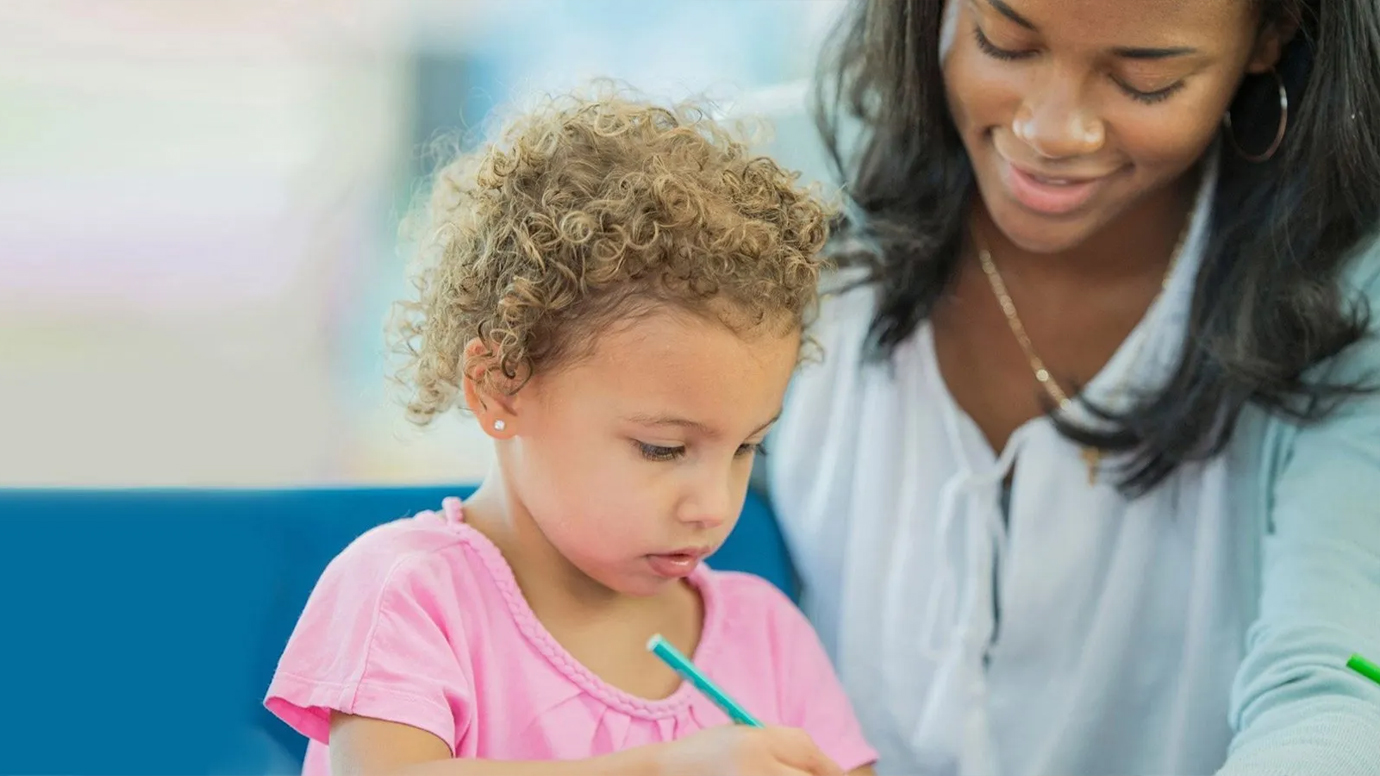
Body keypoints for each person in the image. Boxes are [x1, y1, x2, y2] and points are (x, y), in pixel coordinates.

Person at [764, 0, 1380, 773]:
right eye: (1006, 43)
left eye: (1144, 81)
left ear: (1270, 38)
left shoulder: (1349, 309)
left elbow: (1338, 683)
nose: (1053, 131)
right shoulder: (771, 189)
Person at [264, 91, 877, 776]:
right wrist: (663, 769)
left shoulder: (766, 637)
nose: (712, 503)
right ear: (501, 385)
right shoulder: (408, 593)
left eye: (745, 448)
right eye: (663, 448)